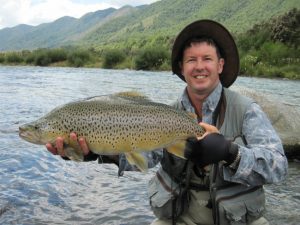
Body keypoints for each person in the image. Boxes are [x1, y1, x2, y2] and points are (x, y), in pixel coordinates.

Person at [46, 20, 288, 225]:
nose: (199, 66)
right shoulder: (164, 115)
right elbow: (146, 157)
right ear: (182, 68)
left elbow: (279, 167)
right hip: (180, 218)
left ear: (220, 65)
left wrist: (231, 153)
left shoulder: (246, 110)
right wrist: (95, 153)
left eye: (207, 59)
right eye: (191, 60)